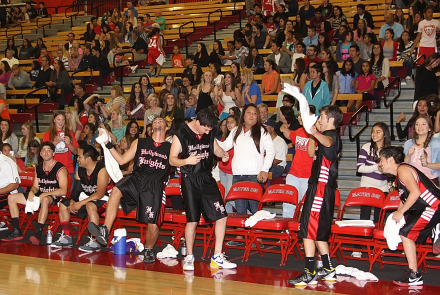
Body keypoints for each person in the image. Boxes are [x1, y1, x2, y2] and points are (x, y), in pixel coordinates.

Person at [168, 109, 236, 270]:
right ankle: (189, 256)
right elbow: (171, 160)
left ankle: (217, 256)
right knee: (192, 220)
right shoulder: (181, 134)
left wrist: (223, 154)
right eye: (205, 129)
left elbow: (216, 148)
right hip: (189, 179)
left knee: (222, 215)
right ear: (197, 122)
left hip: (207, 177)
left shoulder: (209, 131)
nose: (207, 132)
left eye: (210, 130)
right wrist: (186, 161)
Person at [288, 105, 342, 286]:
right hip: (318, 187)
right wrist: (313, 133)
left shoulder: (332, 136)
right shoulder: (321, 137)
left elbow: (328, 142)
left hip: (321, 188)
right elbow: (312, 152)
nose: (319, 118)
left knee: (308, 229)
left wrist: (316, 133)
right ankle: (327, 268)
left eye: (322, 116)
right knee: (318, 232)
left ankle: (309, 271)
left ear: (331, 120)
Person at [377, 146, 440, 286]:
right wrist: (398, 214)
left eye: (381, 160)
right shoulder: (399, 176)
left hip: (433, 206)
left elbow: (415, 193)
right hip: (427, 208)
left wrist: (401, 212)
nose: (379, 163)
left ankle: (414, 274)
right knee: (405, 232)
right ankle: (434, 229)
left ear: (390, 160)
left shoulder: (403, 169)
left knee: (406, 233)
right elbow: (404, 198)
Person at [2, 141, 68, 243]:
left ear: (53, 153)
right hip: (40, 194)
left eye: (49, 151)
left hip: (54, 196)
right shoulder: (39, 168)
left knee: (45, 199)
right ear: (40, 153)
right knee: (11, 197)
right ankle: (16, 230)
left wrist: (45, 194)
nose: (46, 153)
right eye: (44, 150)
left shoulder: (60, 168)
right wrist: (32, 192)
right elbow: (35, 187)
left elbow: (63, 190)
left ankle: (38, 231)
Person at [51, 145, 112, 251]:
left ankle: (95, 241)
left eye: (79, 157)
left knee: (90, 205)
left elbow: (100, 194)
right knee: (63, 204)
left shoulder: (102, 170)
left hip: (104, 199)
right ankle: (66, 237)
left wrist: (80, 203)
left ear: (88, 158)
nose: (77, 159)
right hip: (87, 198)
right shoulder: (80, 170)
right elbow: (76, 191)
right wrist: (72, 202)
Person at [355, 122, 391, 258]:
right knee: (363, 218)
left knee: (379, 220)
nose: (374, 134)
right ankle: (358, 248)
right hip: (367, 187)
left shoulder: (388, 149)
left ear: (384, 134)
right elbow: (360, 168)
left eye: (378, 132)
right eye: (373, 132)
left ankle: (377, 248)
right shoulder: (366, 147)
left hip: (382, 187)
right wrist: (377, 166)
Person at [281, 105, 316, 217]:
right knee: (288, 203)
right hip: (293, 173)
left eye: (302, 115)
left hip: (307, 175)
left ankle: (300, 229)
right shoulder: (298, 131)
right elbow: (288, 134)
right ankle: (287, 230)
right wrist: (284, 127)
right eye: (299, 115)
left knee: (304, 205)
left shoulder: (317, 133)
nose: (299, 117)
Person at [403, 115, 440, 183]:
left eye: (423, 124)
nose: (420, 126)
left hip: (431, 180)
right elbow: (404, 165)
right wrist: (408, 155)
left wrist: (427, 164)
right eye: (417, 124)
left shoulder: (436, 143)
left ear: (429, 128)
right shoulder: (408, 143)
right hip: (413, 180)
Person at [42, 111, 79, 176]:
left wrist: (69, 144)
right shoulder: (48, 134)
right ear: (54, 120)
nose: (61, 122)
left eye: (63, 119)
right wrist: (56, 142)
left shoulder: (69, 133)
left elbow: (77, 151)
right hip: (52, 169)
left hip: (68, 169)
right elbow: (44, 151)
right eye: (58, 119)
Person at [264, 119, 287, 185]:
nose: (264, 130)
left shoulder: (280, 141)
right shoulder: (264, 140)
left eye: (266, 128)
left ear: (272, 128)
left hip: (278, 167)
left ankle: (266, 192)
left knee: (265, 172)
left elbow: (278, 160)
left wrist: (265, 165)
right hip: (267, 165)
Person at [369, 43, 390, 109]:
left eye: (378, 48)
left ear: (381, 50)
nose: (376, 49)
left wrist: (376, 81)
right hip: (371, 81)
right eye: (374, 48)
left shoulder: (385, 60)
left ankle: (378, 104)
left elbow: (386, 75)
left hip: (381, 81)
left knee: (371, 88)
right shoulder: (369, 60)